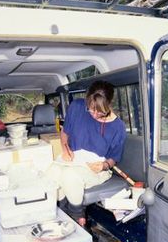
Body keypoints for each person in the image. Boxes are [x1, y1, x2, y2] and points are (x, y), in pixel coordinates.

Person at [46, 80, 126, 227]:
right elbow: (65, 132)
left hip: (96, 169)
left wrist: (104, 165)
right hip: (72, 161)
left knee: (70, 176)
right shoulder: (77, 107)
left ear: (109, 104)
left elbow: (114, 158)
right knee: (52, 173)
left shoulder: (118, 127)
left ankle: (77, 218)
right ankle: (62, 215)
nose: (94, 114)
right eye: (91, 109)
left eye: (100, 111)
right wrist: (65, 150)